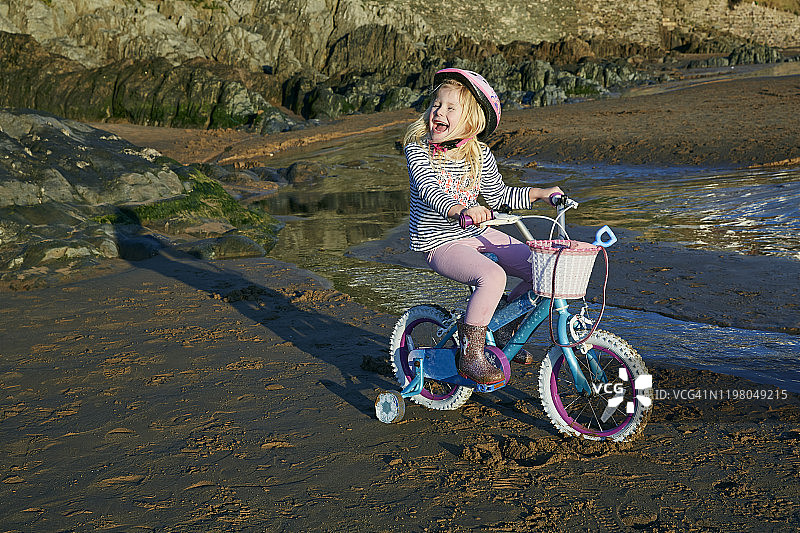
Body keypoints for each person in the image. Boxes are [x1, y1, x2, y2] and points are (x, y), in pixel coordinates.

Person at [403, 68, 563, 385]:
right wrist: (459, 209)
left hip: (473, 232)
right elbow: (428, 189)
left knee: (542, 267)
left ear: (471, 120)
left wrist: (539, 194)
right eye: (436, 104)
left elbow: (499, 196)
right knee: (492, 276)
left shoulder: (480, 154)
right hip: (438, 241)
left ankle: (503, 327)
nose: (439, 112)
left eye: (450, 108)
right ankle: (471, 354)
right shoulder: (418, 151)